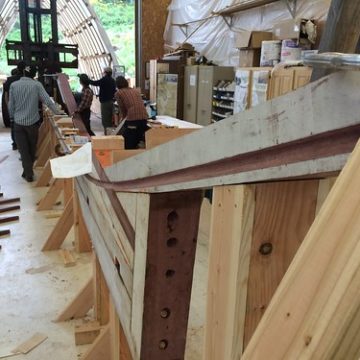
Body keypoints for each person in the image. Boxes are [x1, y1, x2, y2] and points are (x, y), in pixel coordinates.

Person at [8, 65, 62, 182]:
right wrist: (58, 113)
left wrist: (12, 118)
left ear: (23, 73)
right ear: (34, 75)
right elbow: (47, 100)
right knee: (32, 149)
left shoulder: (14, 85)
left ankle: (26, 170)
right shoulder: (37, 85)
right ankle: (29, 174)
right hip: (32, 123)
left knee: (23, 150)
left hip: (18, 123)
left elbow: (11, 104)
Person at [115, 76, 148, 149]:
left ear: (117, 85)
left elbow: (122, 109)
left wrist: (122, 120)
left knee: (128, 143)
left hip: (133, 120)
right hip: (144, 118)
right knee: (137, 139)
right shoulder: (135, 90)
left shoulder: (118, 93)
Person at [2, 61, 26, 149]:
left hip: (13, 105)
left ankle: (15, 144)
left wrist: (9, 106)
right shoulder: (28, 80)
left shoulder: (9, 80)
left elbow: (6, 96)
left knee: (14, 124)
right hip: (24, 105)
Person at [88, 67, 116, 133]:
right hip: (112, 102)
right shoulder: (113, 80)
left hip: (105, 102)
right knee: (110, 119)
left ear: (105, 72)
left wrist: (88, 80)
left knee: (105, 120)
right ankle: (111, 133)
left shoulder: (104, 79)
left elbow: (95, 83)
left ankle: (107, 134)